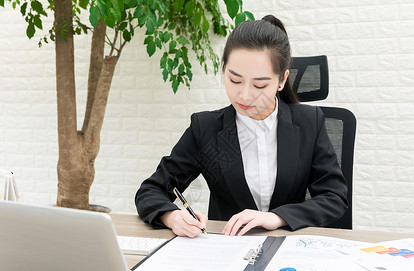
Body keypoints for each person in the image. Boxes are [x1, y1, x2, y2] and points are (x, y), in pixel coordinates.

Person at [135, 15, 348, 237]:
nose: (245, 95)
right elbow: (151, 190)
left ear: (282, 80)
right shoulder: (205, 128)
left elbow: (334, 198)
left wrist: (277, 217)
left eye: (260, 84)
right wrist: (172, 216)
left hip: (288, 251)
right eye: (235, 80)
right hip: (227, 252)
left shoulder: (309, 122)